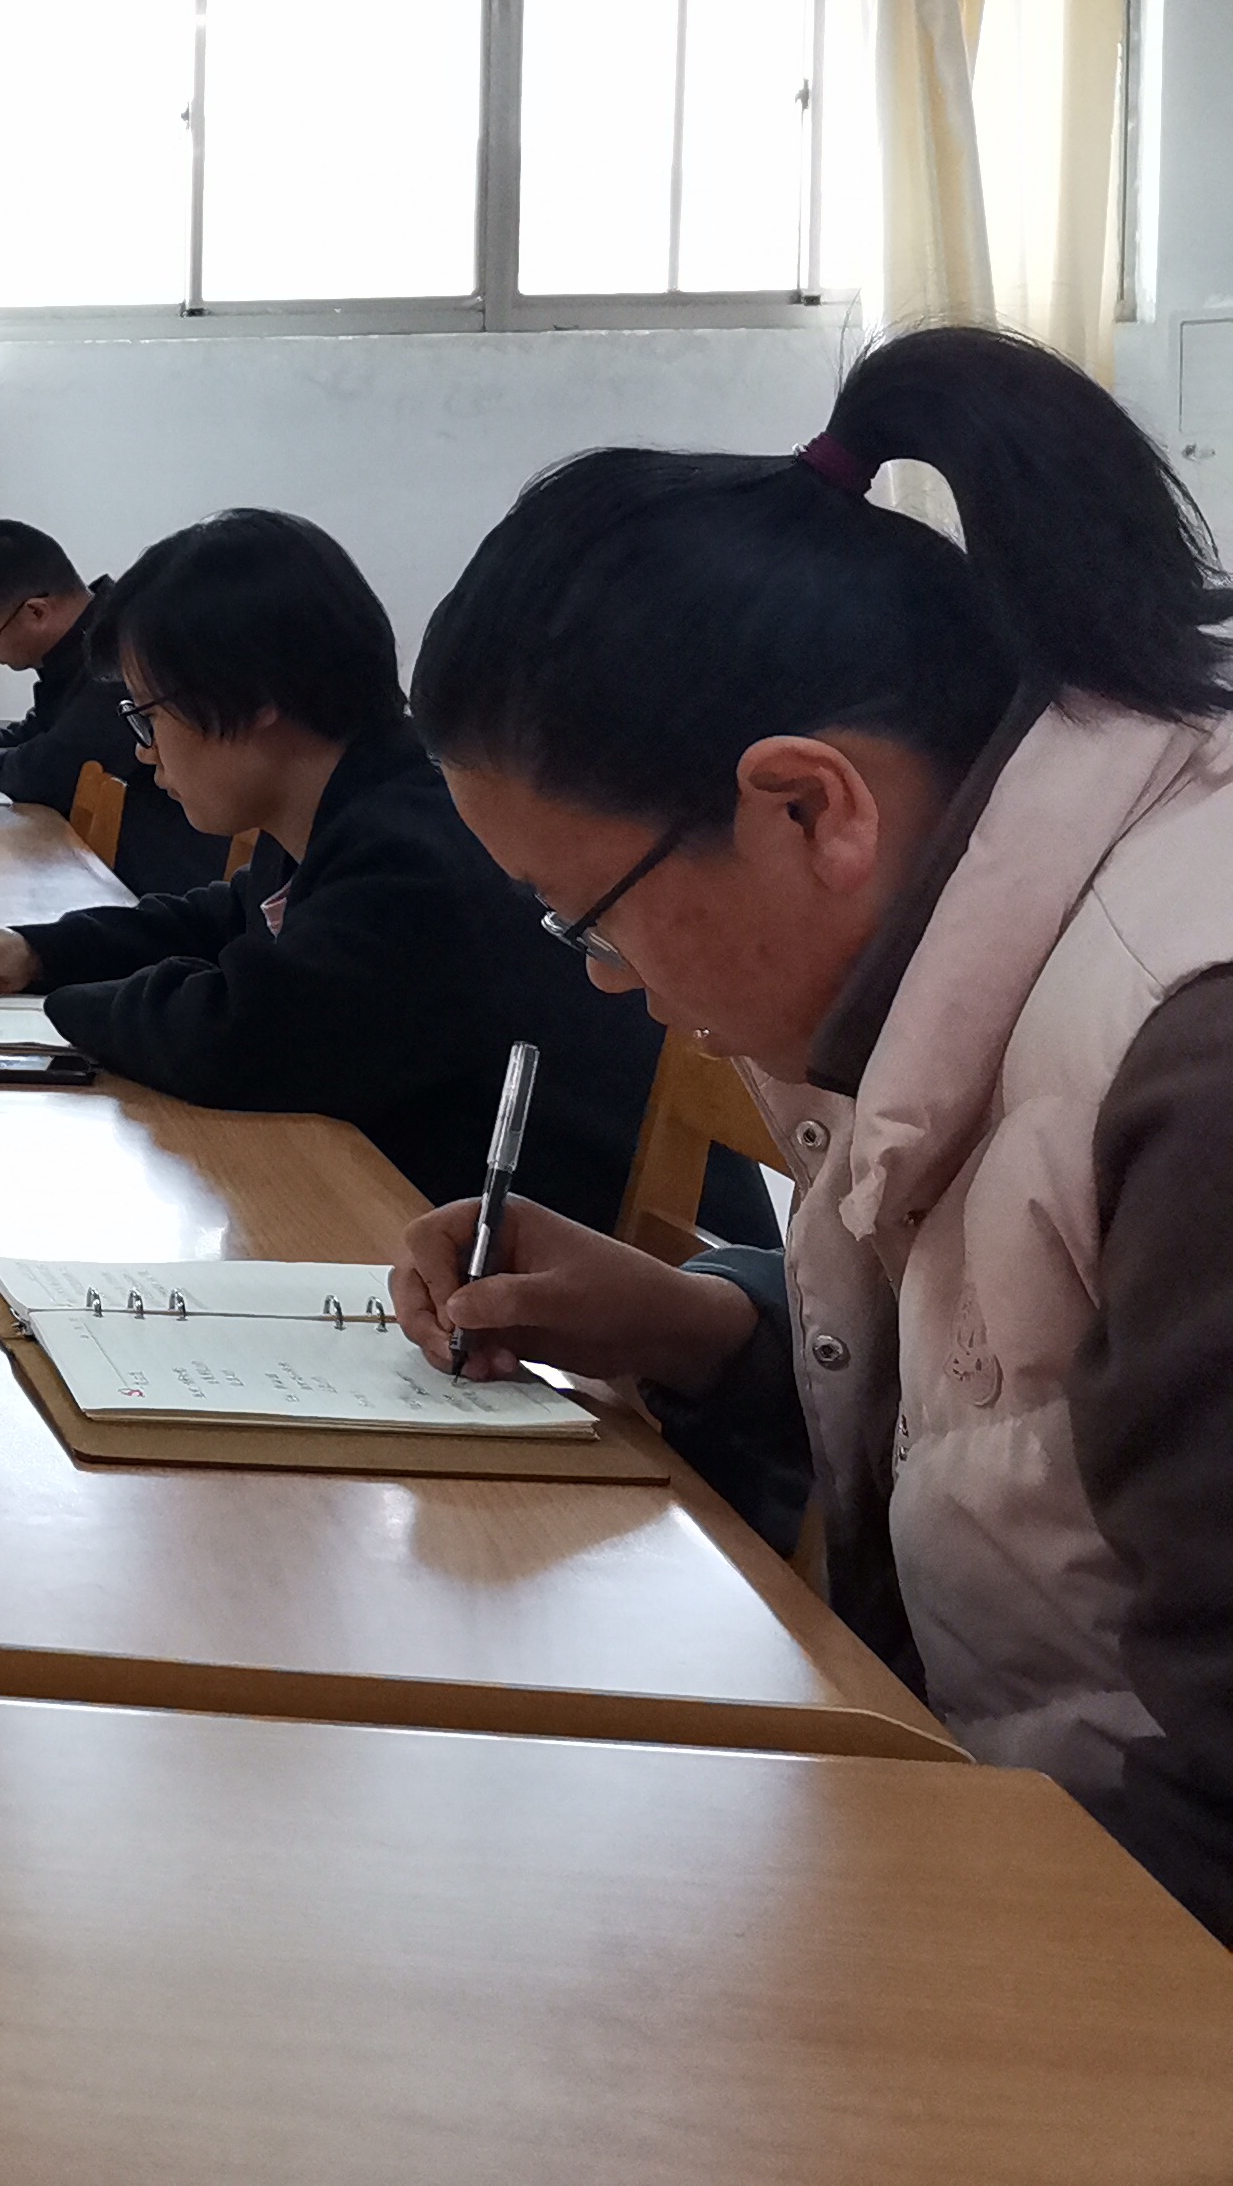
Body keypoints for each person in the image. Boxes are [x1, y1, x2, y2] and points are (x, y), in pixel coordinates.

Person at [390, 325, 1233, 1942]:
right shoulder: (984, 939)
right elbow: (1038, 1404)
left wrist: (772, 1907)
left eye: (588, 920)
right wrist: (707, 1319)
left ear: (809, 807)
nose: (608, 981)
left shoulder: (1194, 1071)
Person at [0, 508, 682, 1234]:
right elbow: (224, 916)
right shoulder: (358, 798)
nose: (144, 751)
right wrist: (38, 951)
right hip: (430, 1200)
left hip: (545, 1264)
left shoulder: (413, 851)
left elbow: (237, 1037)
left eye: (150, 715)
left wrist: (60, 1009)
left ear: (253, 700)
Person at [0, 518, 236, 896]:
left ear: (36, 612)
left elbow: (50, 768)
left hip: (160, 887)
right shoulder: (82, 643)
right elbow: (37, 731)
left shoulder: (122, 651)